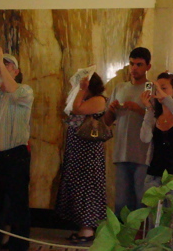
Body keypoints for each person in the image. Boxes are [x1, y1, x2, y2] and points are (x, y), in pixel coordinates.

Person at [0, 47, 34, 251]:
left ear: (16, 71)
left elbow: (12, 90)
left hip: (16, 157)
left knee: (18, 204)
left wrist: (0, 61)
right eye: (1, 63)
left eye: (8, 64)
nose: (1, 66)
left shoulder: (24, 91)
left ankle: (19, 245)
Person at [56, 73, 107, 243]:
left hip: (88, 154)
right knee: (77, 187)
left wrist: (82, 90)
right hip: (77, 153)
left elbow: (77, 109)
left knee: (87, 187)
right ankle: (82, 228)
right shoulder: (85, 98)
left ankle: (88, 229)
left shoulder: (99, 99)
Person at [104, 47, 151, 217]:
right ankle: (122, 241)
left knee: (141, 201)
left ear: (148, 67)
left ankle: (141, 239)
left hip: (143, 154)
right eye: (132, 64)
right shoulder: (120, 87)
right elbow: (107, 121)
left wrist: (139, 109)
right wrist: (111, 109)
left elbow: (157, 120)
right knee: (122, 203)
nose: (134, 68)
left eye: (139, 64)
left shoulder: (151, 89)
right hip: (121, 153)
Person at [140, 72, 173, 207]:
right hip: (155, 173)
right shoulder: (154, 116)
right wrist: (148, 108)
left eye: (163, 88)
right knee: (153, 216)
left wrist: (167, 100)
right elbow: (145, 138)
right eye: (156, 88)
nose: (158, 92)